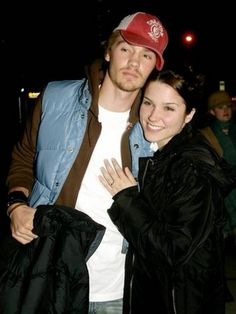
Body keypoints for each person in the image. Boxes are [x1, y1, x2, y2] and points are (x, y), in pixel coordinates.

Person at [5, 12, 168, 313]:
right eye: (126, 49)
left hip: (118, 286)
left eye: (146, 56)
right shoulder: (55, 98)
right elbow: (24, 157)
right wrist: (16, 205)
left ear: (153, 68)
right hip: (49, 275)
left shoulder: (156, 126)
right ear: (108, 52)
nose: (134, 63)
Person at [99, 70, 236, 314]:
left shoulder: (190, 169)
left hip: (178, 302)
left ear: (189, 114)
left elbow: (171, 250)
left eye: (169, 108)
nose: (153, 116)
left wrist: (126, 199)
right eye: (148, 103)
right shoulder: (165, 154)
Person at [201, 90, 236, 239]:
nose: (226, 110)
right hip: (224, 192)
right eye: (220, 107)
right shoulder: (206, 135)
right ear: (212, 111)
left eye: (228, 106)